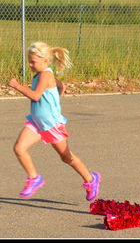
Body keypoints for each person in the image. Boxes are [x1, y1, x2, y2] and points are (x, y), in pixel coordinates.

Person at [7, 41, 101, 201]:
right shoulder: (40, 75)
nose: (30, 64)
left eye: (33, 62)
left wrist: (17, 86)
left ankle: (91, 180)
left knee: (66, 157)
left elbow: (36, 96)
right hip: (36, 123)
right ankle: (34, 178)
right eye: (29, 61)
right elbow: (61, 85)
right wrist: (55, 100)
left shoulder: (46, 75)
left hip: (52, 125)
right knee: (19, 148)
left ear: (45, 61)